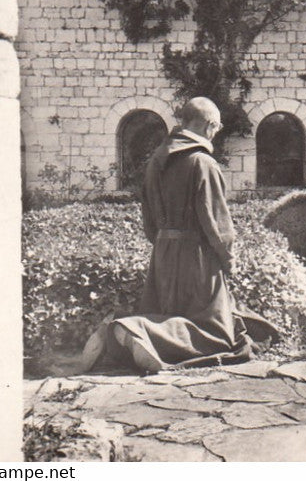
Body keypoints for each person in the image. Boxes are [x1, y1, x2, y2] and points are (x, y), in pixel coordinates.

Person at [78, 97, 268, 373]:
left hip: (163, 253)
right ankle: (133, 329)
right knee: (219, 334)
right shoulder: (203, 163)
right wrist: (228, 260)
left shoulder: (156, 161)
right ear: (208, 125)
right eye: (216, 128)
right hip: (199, 256)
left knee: (173, 316)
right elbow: (217, 222)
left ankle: (114, 334)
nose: (215, 134)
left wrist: (166, 244)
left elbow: (148, 219)